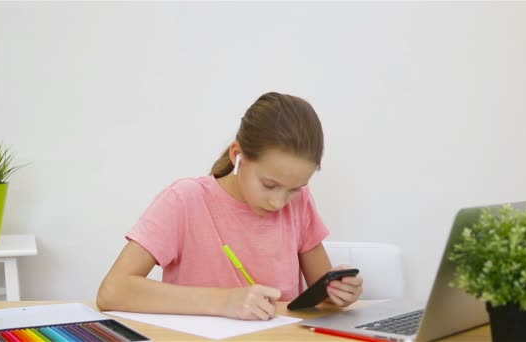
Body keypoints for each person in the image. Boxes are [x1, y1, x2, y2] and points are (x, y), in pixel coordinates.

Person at [97, 92, 363, 321]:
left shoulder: (301, 203)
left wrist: (338, 294)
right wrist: (225, 302)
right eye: (269, 185)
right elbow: (113, 291)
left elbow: (320, 296)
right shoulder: (185, 200)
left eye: (294, 189)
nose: (279, 202)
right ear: (238, 156)